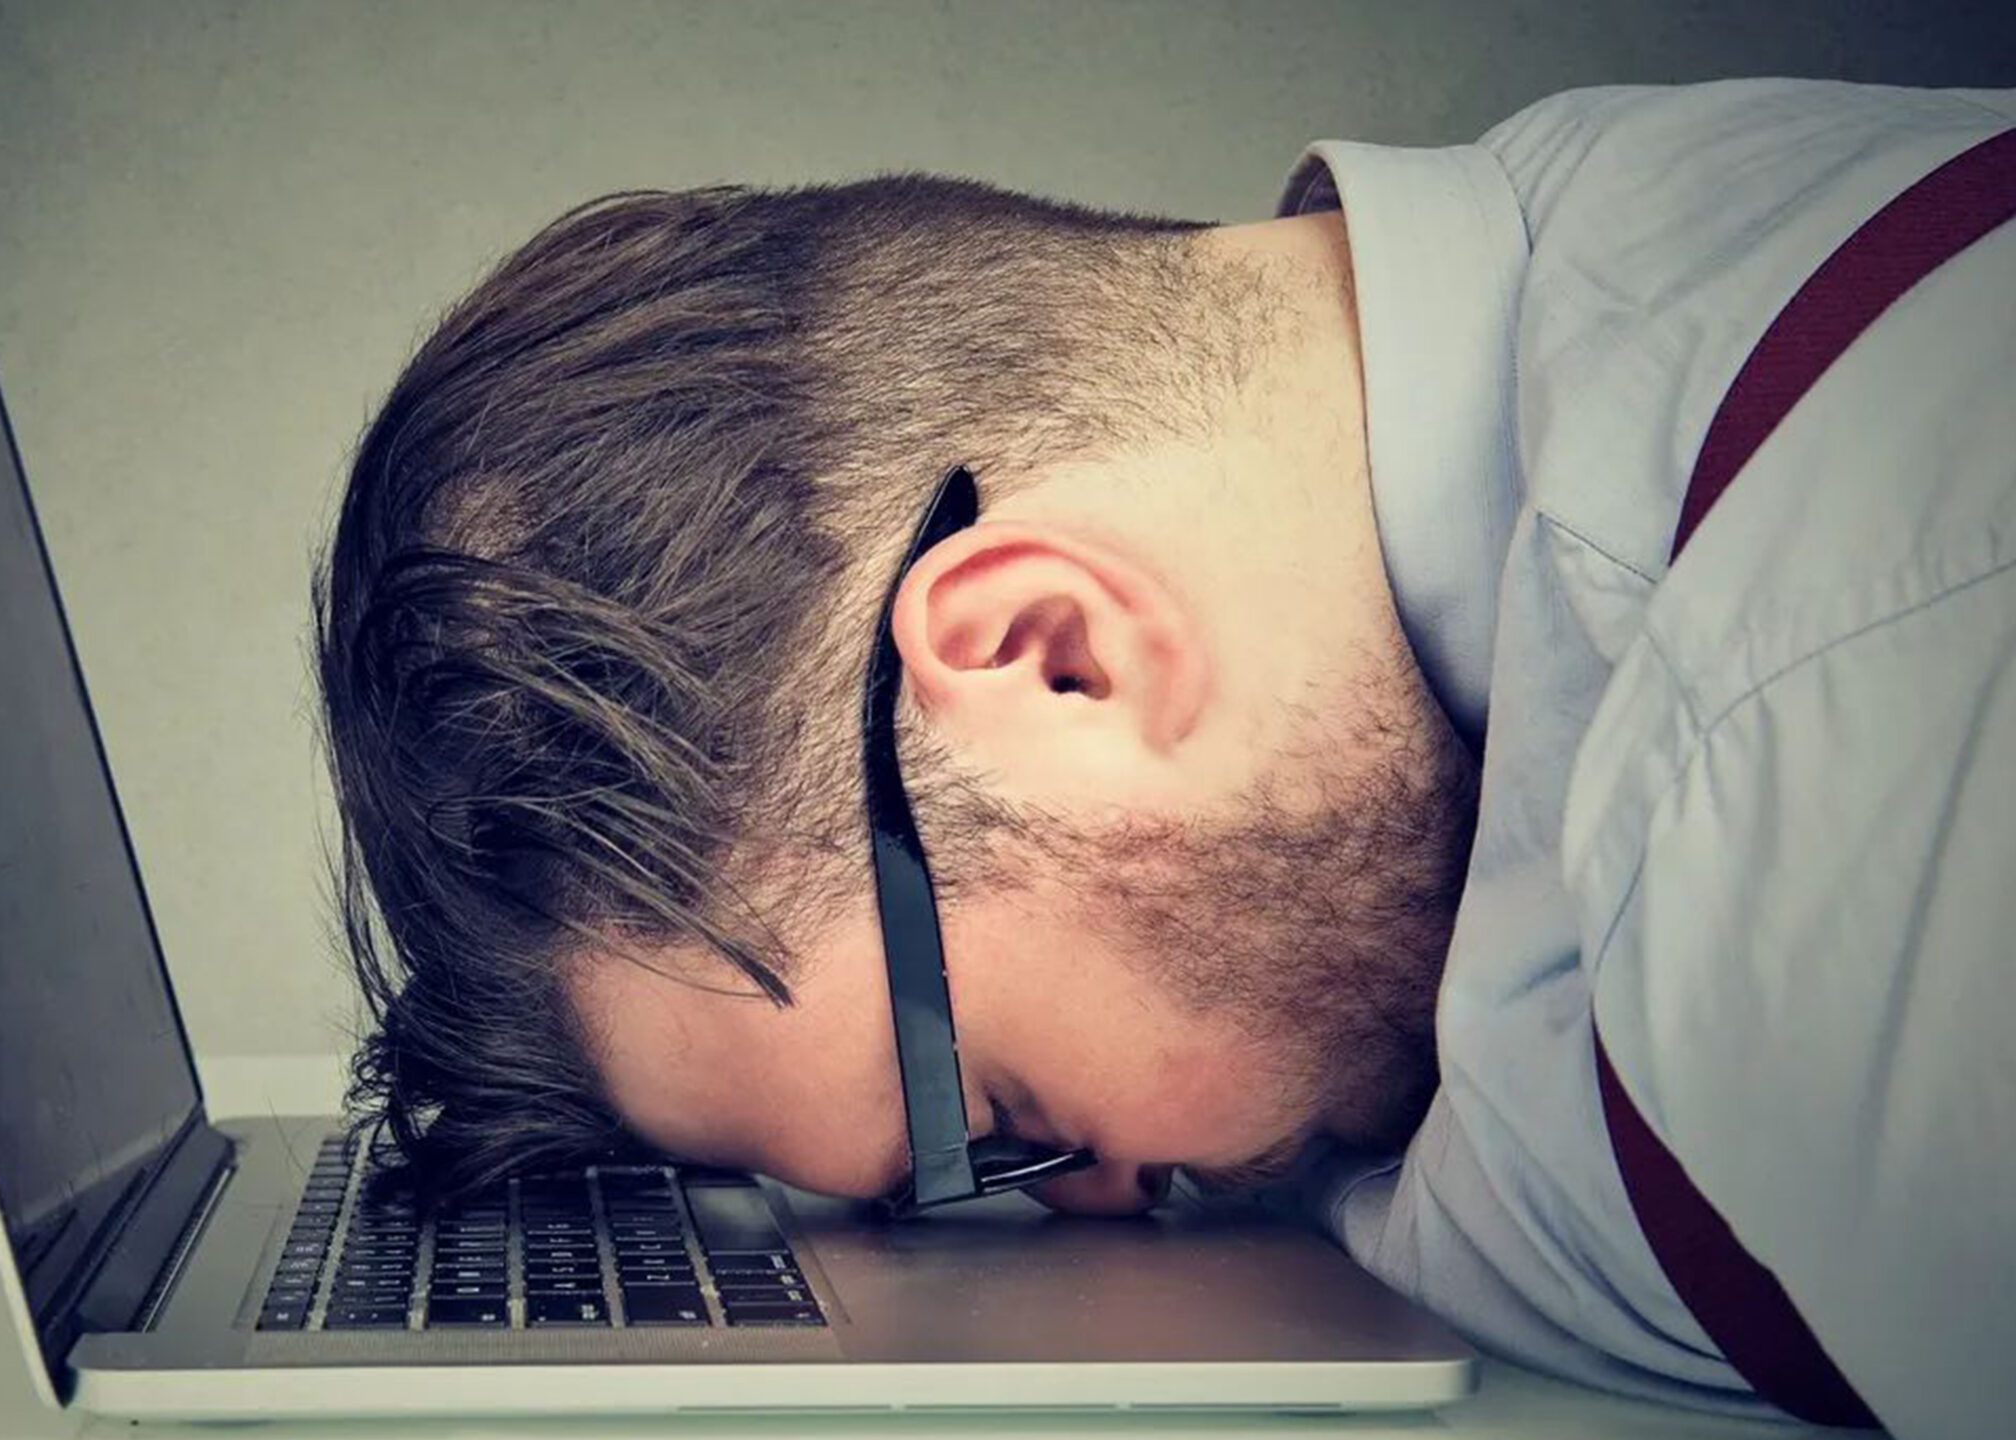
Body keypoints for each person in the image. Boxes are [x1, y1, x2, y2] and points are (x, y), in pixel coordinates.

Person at [312, 77, 2016, 1435]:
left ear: (1052, 655)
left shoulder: (1832, 773)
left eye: (995, 1121)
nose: (1100, 1217)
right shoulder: (1617, 231)